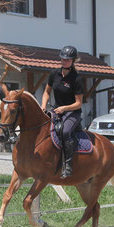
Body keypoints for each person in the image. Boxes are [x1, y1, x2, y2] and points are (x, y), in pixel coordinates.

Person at [41, 45, 84, 178]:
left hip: (72, 112)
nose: (64, 61)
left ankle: (67, 165)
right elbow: (46, 92)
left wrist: (64, 108)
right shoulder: (54, 74)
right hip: (56, 110)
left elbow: (78, 103)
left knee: (65, 132)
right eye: (63, 59)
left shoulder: (76, 79)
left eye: (67, 59)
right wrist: (43, 106)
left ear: (73, 61)